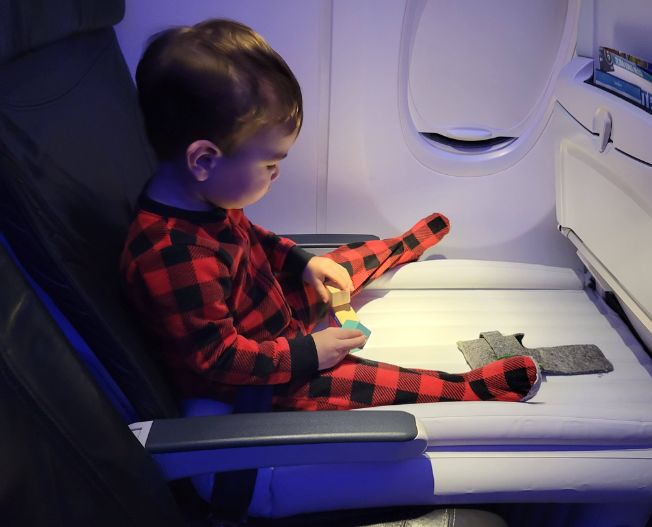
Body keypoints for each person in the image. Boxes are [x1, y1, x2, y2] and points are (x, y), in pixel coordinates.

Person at [120, 18, 540, 411]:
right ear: (204, 160)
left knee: (334, 265)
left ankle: (400, 247)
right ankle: (468, 388)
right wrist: (310, 353)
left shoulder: (205, 199)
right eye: (269, 164)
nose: (277, 173)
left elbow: (253, 238)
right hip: (257, 379)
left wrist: (303, 262)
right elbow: (219, 357)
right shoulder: (172, 253)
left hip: (272, 312)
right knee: (351, 379)